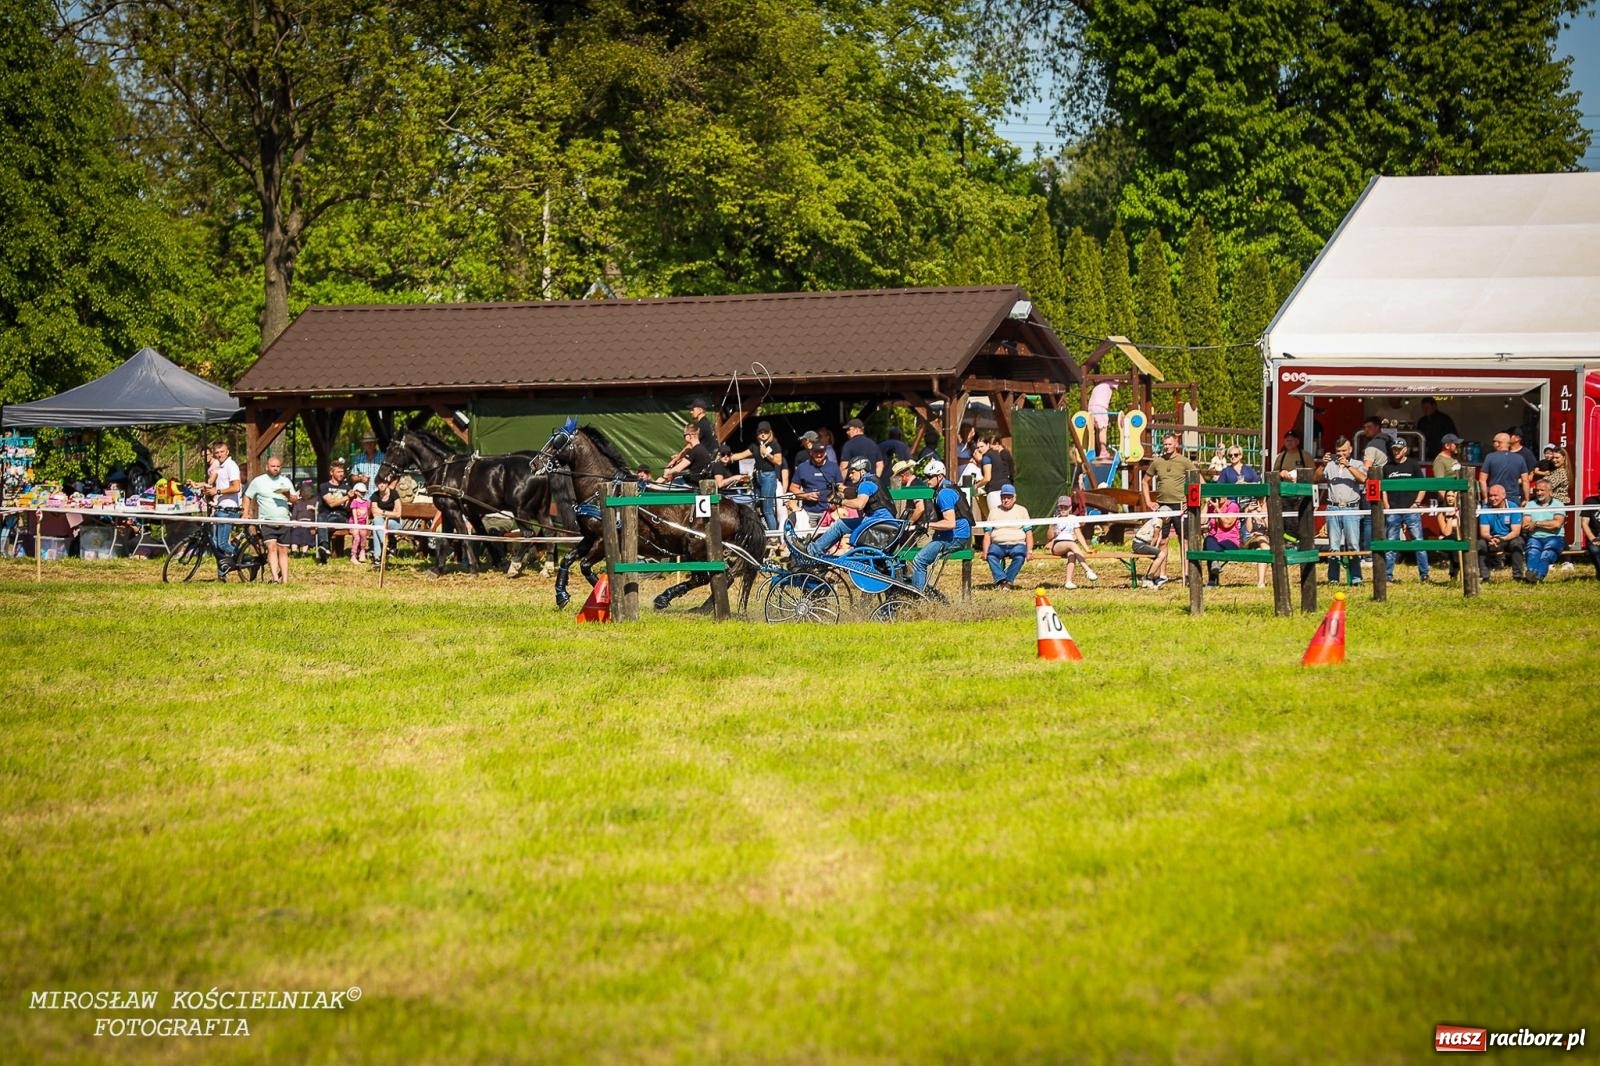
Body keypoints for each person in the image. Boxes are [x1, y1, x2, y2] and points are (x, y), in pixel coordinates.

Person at [1140, 433, 1197, 585]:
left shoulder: (1184, 462)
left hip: (1180, 506)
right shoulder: (1157, 462)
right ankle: (1162, 575)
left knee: (1184, 541)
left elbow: (1198, 482)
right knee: (1162, 540)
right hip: (1163, 506)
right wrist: (1148, 502)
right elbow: (1145, 481)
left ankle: (1187, 575)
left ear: (1176, 444)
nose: (1167, 447)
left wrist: (1192, 502)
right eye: (1165, 444)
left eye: (1169, 444)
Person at [808, 457, 894, 555]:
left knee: (839, 525)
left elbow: (859, 504)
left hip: (876, 522)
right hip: (884, 521)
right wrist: (837, 487)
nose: (849, 475)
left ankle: (813, 551)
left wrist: (839, 501)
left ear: (861, 471)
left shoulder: (865, 484)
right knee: (841, 525)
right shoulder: (872, 480)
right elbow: (853, 492)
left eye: (852, 472)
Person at [909, 459, 970, 592]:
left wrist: (928, 524)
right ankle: (924, 591)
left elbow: (950, 523)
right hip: (954, 534)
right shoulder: (947, 487)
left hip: (956, 536)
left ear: (940, 476)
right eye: (926, 477)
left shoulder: (944, 494)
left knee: (919, 560)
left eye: (930, 477)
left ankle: (917, 598)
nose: (927, 480)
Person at [1317, 435, 1366, 585]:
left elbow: (1363, 479)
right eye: (1339, 451)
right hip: (1333, 507)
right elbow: (1315, 478)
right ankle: (1333, 579)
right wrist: (1323, 465)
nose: (1341, 454)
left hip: (1351, 508)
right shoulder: (1330, 465)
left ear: (1350, 449)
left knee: (1353, 545)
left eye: (1344, 451)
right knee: (1333, 546)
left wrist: (1348, 466)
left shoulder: (1357, 464)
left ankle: (1356, 579)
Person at [1381, 437, 1430, 583]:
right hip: (1393, 510)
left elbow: (1423, 486)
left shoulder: (1413, 465)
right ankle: (1387, 576)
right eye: (1394, 449)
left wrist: (1416, 503)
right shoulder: (1387, 467)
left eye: (1398, 449)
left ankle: (1424, 574)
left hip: (1411, 509)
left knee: (1418, 542)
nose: (1395, 451)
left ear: (1405, 450)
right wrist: (1387, 506)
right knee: (1390, 544)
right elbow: (1383, 489)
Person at [243, 454, 297, 583]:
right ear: (267, 467)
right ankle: (274, 577)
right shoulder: (258, 481)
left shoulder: (286, 481)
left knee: (283, 550)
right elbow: (247, 496)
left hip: (284, 520)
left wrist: (288, 494)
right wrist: (245, 512)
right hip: (266, 521)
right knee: (271, 547)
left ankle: (285, 580)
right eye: (273, 466)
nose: (275, 468)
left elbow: (295, 500)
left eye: (278, 466)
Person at [202, 440, 242, 578]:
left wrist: (217, 492)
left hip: (229, 509)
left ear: (227, 452)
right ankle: (222, 574)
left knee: (223, 543)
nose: (219, 455)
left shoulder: (231, 466)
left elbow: (236, 487)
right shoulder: (220, 467)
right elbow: (212, 484)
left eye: (222, 452)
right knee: (217, 545)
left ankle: (245, 557)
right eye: (217, 453)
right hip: (221, 508)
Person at [981, 484, 1032, 589]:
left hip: (1017, 543)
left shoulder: (1022, 511)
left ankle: (1008, 581)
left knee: (1020, 556)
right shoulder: (994, 512)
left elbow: (1029, 533)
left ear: (1014, 498)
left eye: (1009, 497)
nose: (1006, 500)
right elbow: (987, 534)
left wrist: (1030, 550)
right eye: (1003, 497)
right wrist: (985, 551)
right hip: (998, 544)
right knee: (991, 555)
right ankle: (1002, 579)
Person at [1046, 495, 1098, 588]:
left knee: (1072, 554)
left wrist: (1087, 548)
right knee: (1072, 544)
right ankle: (1087, 569)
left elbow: (1079, 534)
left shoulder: (1073, 518)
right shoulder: (1055, 519)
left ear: (1070, 508)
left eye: (1065, 507)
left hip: (1070, 545)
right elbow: (1049, 537)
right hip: (1058, 545)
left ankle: (1068, 581)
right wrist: (1052, 525)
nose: (1063, 509)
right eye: (1061, 507)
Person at [1521, 475, 1566, 582]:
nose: (1538, 493)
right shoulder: (1530, 505)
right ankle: (1531, 573)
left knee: (1547, 554)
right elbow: (1525, 524)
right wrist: (1547, 525)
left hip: (1555, 537)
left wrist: (1536, 524)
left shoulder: (1559, 504)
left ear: (1550, 492)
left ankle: (1537, 576)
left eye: (1542, 490)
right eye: (1537, 490)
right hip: (1535, 537)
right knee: (1532, 552)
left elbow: (1556, 524)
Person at [788, 442, 840, 533]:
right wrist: (806, 495)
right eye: (816, 452)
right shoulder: (802, 467)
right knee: (808, 539)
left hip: (828, 512)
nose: (819, 455)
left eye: (822, 452)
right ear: (811, 453)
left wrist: (836, 502)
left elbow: (840, 487)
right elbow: (793, 488)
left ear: (826, 453)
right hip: (809, 512)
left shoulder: (834, 467)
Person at [1478, 484, 1525, 582]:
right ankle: (1485, 577)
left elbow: (1516, 532)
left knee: (1517, 542)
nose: (1492, 498)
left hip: (1508, 538)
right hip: (1492, 539)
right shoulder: (1485, 508)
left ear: (1504, 495)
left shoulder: (1513, 507)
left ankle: (1518, 577)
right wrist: (1490, 538)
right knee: (1480, 544)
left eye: (1495, 495)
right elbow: (1484, 532)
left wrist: (1502, 539)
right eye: (1490, 495)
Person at [750, 421, 785, 531]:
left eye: (765, 432)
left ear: (770, 433)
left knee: (768, 509)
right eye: (760, 432)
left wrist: (767, 454)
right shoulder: (756, 446)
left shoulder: (775, 445)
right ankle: (764, 531)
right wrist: (730, 457)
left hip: (768, 477)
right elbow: (743, 454)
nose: (763, 434)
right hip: (758, 477)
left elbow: (779, 462)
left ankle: (774, 536)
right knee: (758, 506)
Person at [316, 458, 351, 563]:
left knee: (326, 519)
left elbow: (347, 507)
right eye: (339, 472)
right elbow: (331, 503)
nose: (341, 474)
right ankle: (324, 546)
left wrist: (351, 499)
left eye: (342, 471)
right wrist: (346, 497)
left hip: (340, 517)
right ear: (332, 472)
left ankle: (324, 547)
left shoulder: (347, 487)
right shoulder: (324, 486)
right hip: (327, 514)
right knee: (321, 517)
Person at [1202, 496, 1242, 587]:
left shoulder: (1232, 506)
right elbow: (1202, 521)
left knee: (1211, 549)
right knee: (1209, 540)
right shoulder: (1211, 506)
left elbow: (1227, 524)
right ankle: (1214, 564)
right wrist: (1206, 505)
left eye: (1220, 497)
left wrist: (1217, 509)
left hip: (1230, 541)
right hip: (1214, 540)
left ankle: (1212, 582)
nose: (1218, 499)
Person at [1479, 431, 1529, 505]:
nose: (1493, 444)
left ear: (1498, 443)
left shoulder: (1490, 457)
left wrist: (1485, 498)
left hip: (1494, 497)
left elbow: (1482, 480)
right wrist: (1526, 499)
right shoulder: (1519, 458)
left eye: (1494, 441)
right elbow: (1525, 481)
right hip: (1514, 498)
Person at [369, 474, 401, 567]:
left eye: (383, 482)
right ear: (376, 485)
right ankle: (381, 552)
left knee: (377, 525)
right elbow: (375, 513)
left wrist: (382, 511)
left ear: (387, 483)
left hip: (394, 523)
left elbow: (398, 513)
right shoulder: (375, 495)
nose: (381, 485)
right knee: (376, 522)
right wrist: (390, 513)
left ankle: (378, 556)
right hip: (381, 523)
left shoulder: (394, 494)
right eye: (378, 483)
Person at [981, 434, 1015, 517]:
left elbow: (988, 477)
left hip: (999, 486)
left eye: (991, 444)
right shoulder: (1000, 454)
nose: (991, 447)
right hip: (1007, 484)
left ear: (997, 444)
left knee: (997, 516)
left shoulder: (1002, 454)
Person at [1087, 380, 1115, 456]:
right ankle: (1103, 451)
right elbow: (1122, 385)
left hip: (1091, 408)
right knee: (1103, 429)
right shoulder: (1110, 382)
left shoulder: (1098, 385)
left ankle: (1094, 449)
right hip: (1100, 407)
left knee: (1096, 430)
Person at [347, 480, 373, 564]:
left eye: (363, 492)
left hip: (363, 524)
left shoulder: (367, 502)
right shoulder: (354, 502)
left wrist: (366, 524)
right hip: (355, 524)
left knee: (363, 537)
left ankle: (362, 551)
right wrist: (356, 525)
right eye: (361, 492)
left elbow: (367, 515)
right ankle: (353, 555)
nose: (362, 494)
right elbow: (354, 514)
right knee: (357, 538)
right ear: (356, 492)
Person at [1584, 493, 1600, 579]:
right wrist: (1593, 538)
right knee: (1595, 549)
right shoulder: (1590, 502)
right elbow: (1584, 523)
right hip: (1594, 535)